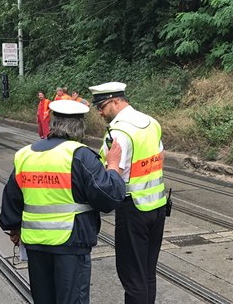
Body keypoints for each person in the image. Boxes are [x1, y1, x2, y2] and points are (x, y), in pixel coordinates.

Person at [0, 100, 126, 304]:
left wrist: (14, 229)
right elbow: (109, 197)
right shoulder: (80, 155)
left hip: (35, 244)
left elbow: (12, 198)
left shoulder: (25, 155)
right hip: (70, 243)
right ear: (80, 127)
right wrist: (113, 166)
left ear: (52, 123)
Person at [89, 81, 168, 304]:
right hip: (158, 206)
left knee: (132, 275)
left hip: (133, 209)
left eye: (102, 107)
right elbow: (160, 157)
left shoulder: (119, 131)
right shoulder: (151, 122)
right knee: (147, 273)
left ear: (115, 101)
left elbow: (112, 173)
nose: (100, 112)